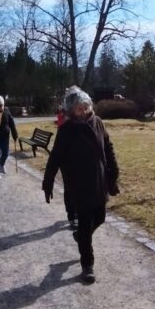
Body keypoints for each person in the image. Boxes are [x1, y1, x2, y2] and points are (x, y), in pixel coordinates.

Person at [42, 86, 119, 284]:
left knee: (100, 217)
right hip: (79, 186)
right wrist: (48, 181)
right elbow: (56, 156)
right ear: (70, 111)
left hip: (98, 182)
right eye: (78, 108)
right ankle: (87, 265)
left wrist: (113, 173)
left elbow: (108, 146)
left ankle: (81, 236)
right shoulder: (67, 130)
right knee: (85, 224)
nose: (83, 111)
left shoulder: (98, 122)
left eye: (85, 107)